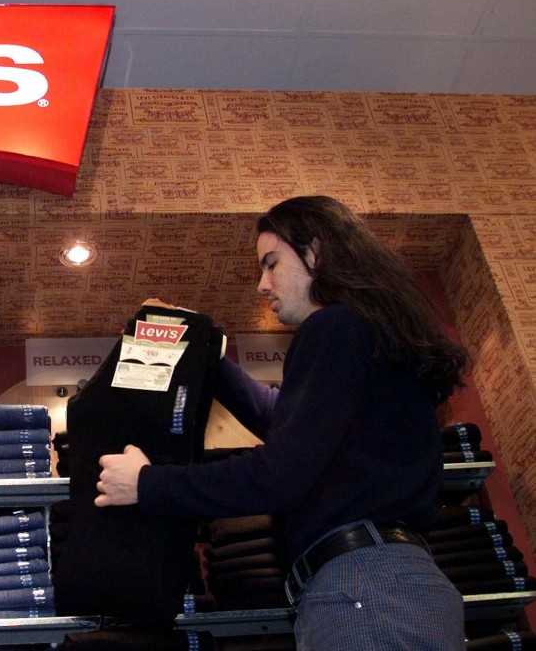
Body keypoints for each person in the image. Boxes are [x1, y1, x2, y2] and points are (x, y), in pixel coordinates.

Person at [95, 195, 470, 650]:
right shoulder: (368, 335)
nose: (262, 284)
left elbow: (279, 476)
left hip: (364, 591)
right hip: (391, 586)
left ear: (314, 252)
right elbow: (285, 423)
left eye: (271, 264)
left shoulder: (335, 327)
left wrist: (146, 484)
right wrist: (202, 349)